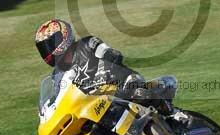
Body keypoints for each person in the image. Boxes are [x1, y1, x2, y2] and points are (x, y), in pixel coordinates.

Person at [34, 18, 177, 110]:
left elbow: (107, 52)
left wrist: (108, 61)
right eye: (44, 47)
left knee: (140, 94)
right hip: (95, 105)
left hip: (121, 84)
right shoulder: (57, 75)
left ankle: (172, 116)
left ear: (63, 36)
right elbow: (59, 97)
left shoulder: (87, 44)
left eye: (50, 43)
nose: (48, 50)